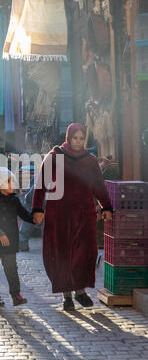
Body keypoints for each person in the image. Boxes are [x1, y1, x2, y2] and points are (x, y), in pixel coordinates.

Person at [32, 123, 113, 311]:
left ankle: (80, 291)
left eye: (81, 138)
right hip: (59, 214)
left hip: (84, 214)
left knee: (84, 253)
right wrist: (37, 209)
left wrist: (106, 206)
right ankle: (66, 295)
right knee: (62, 254)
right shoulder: (55, 157)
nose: (77, 142)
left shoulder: (90, 160)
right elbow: (40, 184)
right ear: (68, 137)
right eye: (74, 138)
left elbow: (98, 186)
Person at [0, 167, 35, 307]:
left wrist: (34, 219)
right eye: (9, 181)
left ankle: (16, 295)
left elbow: (24, 214)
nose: (13, 184)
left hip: (10, 241)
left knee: (11, 268)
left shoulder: (14, 200)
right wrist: (0, 234)